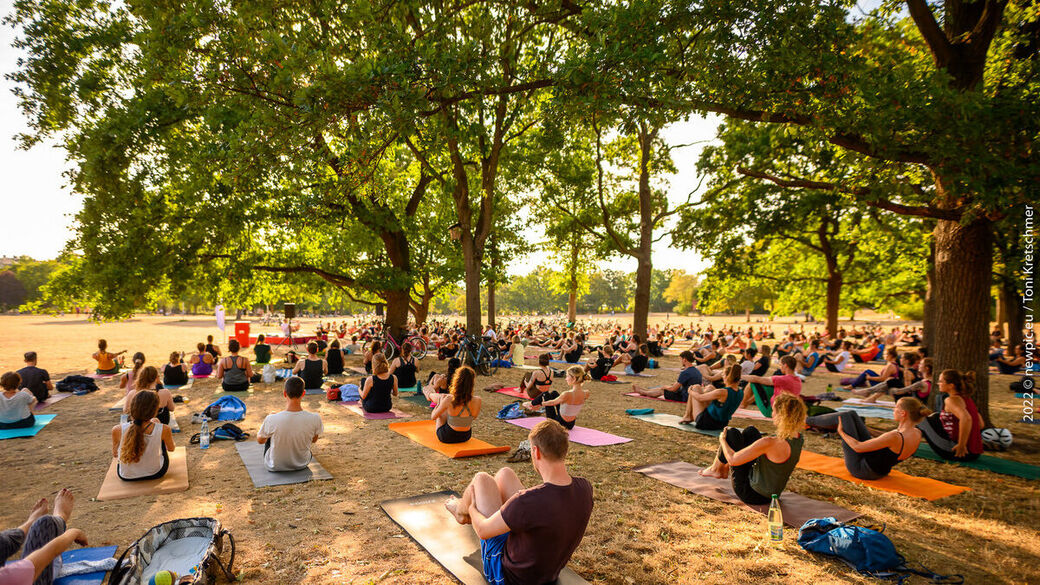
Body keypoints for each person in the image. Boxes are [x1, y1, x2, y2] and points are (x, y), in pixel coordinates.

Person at [444, 419, 593, 585]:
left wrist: (472, 508)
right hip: (545, 568)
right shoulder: (585, 487)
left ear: (535, 452)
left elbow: (483, 531)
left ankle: (460, 513)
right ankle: (481, 513)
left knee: (482, 479)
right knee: (505, 473)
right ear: (565, 451)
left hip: (508, 576)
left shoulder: (527, 501)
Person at [699, 393, 807, 505]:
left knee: (731, 434)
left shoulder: (770, 442)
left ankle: (716, 469)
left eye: (774, 410)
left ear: (781, 414)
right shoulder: (799, 438)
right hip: (771, 496)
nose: (772, 413)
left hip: (751, 494)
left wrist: (722, 440)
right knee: (751, 431)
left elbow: (732, 460)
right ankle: (719, 469)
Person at [806, 397, 926, 480]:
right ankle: (807, 420)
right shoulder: (916, 433)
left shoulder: (895, 436)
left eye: (895, 408)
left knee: (844, 416)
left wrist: (841, 432)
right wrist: (864, 428)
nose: (893, 410)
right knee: (851, 414)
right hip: (880, 469)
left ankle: (805, 420)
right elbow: (885, 439)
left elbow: (857, 447)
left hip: (862, 470)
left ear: (903, 413)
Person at [0, 489, 88, 585]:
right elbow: (49, 552)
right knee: (45, 523)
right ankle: (60, 517)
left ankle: (28, 525)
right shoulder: (9, 578)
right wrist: (74, 532)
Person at [257, 377, 324, 472]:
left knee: (269, 433)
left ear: (285, 393)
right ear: (303, 393)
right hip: (302, 463)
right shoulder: (315, 418)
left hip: (275, 465)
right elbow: (314, 440)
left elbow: (260, 440)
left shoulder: (271, 419)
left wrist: (267, 423)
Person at [917, 369, 984, 461]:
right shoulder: (966, 399)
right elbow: (980, 424)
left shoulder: (951, 400)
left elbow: (967, 419)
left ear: (951, 385)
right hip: (974, 454)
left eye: (941, 381)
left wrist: (961, 445)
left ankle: (903, 443)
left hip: (958, 452)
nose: (938, 383)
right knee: (936, 416)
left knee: (919, 419)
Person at [112, 390, 175, 481]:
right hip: (156, 473)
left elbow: (115, 454)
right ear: (155, 411)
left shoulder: (117, 429)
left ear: (132, 408)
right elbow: (171, 449)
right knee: (157, 427)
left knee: (156, 424)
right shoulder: (164, 429)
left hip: (126, 476)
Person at [678, 365, 743, 430]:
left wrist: (690, 391)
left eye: (723, 375)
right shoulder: (741, 392)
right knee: (710, 387)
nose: (722, 378)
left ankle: (688, 416)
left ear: (727, 377)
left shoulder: (722, 392)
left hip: (705, 423)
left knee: (695, 387)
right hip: (722, 424)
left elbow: (700, 398)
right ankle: (688, 416)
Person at [528, 365, 590, 430]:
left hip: (558, 424)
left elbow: (552, 403)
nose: (566, 379)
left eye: (567, 376)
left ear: (574, 378)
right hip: (571, 424)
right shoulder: (586, 393)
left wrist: (541, 404)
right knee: (554, 393)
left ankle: (531, 404)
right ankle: (532, 404)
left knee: (545, 394)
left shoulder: (567, 394)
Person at [431, 366, 482, 443]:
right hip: (466, 436)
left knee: (442, 413)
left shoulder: (449, 399)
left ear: (456, 381)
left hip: (447, 437)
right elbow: (473, 417)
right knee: (452, 413)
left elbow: (433, 417)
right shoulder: (478, 400)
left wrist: (439, 403)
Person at [631, 350, 702, 401]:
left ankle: (643, 392)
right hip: (690, 395)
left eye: (681, 359)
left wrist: (665, 387)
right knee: (668, 386)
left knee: (663, 390)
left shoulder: (686, 372)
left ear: (685, 359)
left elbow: (673, 389)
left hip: (685, 397)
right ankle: (645, 390)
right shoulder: (696, 370)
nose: (681, 361)